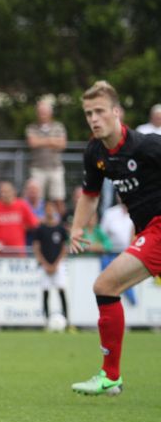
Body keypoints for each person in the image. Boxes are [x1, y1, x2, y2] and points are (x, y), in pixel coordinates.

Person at [69, 81, 161, 396]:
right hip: (149, 230)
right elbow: (90, 194)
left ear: (116, 112)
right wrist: (77, 227)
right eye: (88, 113)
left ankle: (111, 376)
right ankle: (111, 377)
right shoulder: (96, 152)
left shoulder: (146, 146)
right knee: (107, 287)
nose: (94, 119)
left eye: (100, 112)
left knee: (105, 285)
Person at [31, 201, 71, 331]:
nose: (49, 211)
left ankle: (67, 320)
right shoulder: (40, 229)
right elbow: (36, 248)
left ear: (54, 211)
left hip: (58, 265)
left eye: (51, 208)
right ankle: (46, 321)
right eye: (47, 208)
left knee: (61, 290)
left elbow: (64, 248)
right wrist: (45, 264)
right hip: (45, 266)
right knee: (45, 292)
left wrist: (56, 264)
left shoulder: (60, 228)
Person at [26, 99, 67, 205]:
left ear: (50, 113)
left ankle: (61, 221)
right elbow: (33, 143)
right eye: (40, 112)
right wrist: (52, 140)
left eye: (44, 112)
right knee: (36, 199)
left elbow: (62, 144)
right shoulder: (31, 127)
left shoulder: (59, 126)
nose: (42, 114)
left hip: (55, 168)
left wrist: (42, 141)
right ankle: (36, 221)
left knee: (58, 199)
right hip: (37, 168)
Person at [0, 181, 39, 255]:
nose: (4, 194)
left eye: (7, 192)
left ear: (13, 192)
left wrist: (22, 227)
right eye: (2, 192)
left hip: (18, 252)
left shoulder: (22, 205)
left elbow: (34, 223)